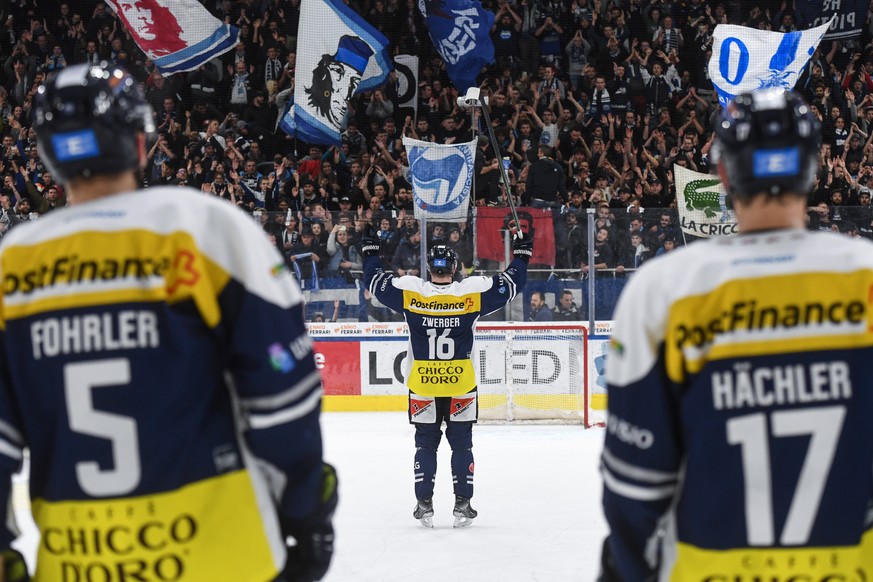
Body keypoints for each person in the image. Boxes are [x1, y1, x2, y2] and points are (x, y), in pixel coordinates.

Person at [0, 63, 337, 581]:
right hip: (226, 557)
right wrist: (305, 506)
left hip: (76, 565)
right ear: (140, 144)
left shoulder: (13, 263)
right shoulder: (203, 228)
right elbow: (281, 396)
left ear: (50, 155)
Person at [599, 88, 873, 580]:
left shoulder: (665, 289)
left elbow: (636, 487)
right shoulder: (866, 277)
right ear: (813, 168)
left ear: (723, 172)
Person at [361, 231, 531, 528]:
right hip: (461, 384)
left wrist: (371, 250)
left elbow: (375, 281)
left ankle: (424, 504)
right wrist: (522, 255)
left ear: (430, 268)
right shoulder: (471, 292)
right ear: (454, 268)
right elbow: (512, 284)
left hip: (423, 384)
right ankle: (463, 505)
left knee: (426, 446)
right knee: (461, 446)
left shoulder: (411, 290)